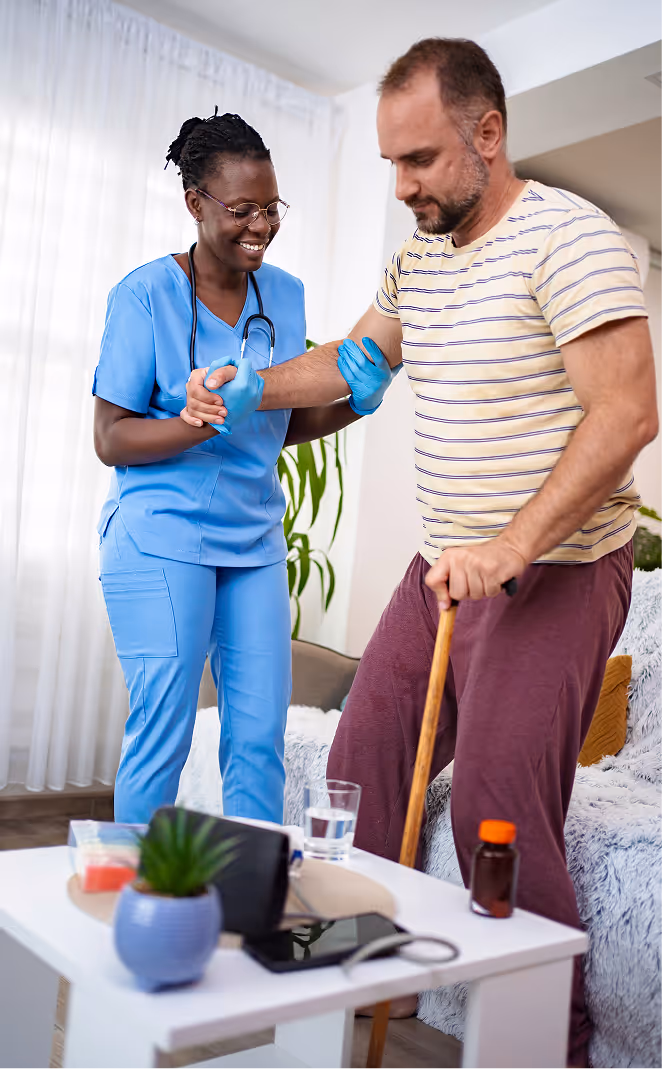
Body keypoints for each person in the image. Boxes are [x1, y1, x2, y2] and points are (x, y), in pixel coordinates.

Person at [182, 40, 658, 1067]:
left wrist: (512, 546)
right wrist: (243, 382)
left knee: (497, 804)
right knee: (356, 773)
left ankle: (546, 1048)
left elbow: (624, 417)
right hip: (443, 570)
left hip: (562, 568)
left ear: (486, 135)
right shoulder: (417, 258)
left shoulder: (570, 240)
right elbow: (354, 361)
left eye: (419, 160)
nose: (400, 186)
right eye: (389, 163)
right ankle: (340, 988)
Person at [93, 111, 395, 827]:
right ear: (196, 203)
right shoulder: (144, 296)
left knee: (259, 739)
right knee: (161, 736)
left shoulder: (281, 295)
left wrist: (359, 400)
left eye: (271, 208)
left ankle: (246, 900)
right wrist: (187, 419)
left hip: (254, 543)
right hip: (160, 537)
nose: (260, 224)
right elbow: (109, 436)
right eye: (241, 210)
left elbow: (280, 423)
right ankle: (137, 913)